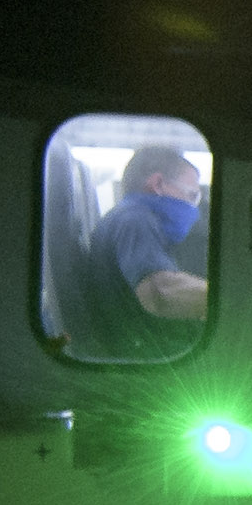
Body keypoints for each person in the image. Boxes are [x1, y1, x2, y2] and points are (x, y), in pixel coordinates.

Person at [79, 142, 209, 358]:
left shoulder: (128, 217)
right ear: (158, 184)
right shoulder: (135, 220)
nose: (193, 207)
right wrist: (229, 299)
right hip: (147, 357)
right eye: (192, 195)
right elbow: (160, 294)